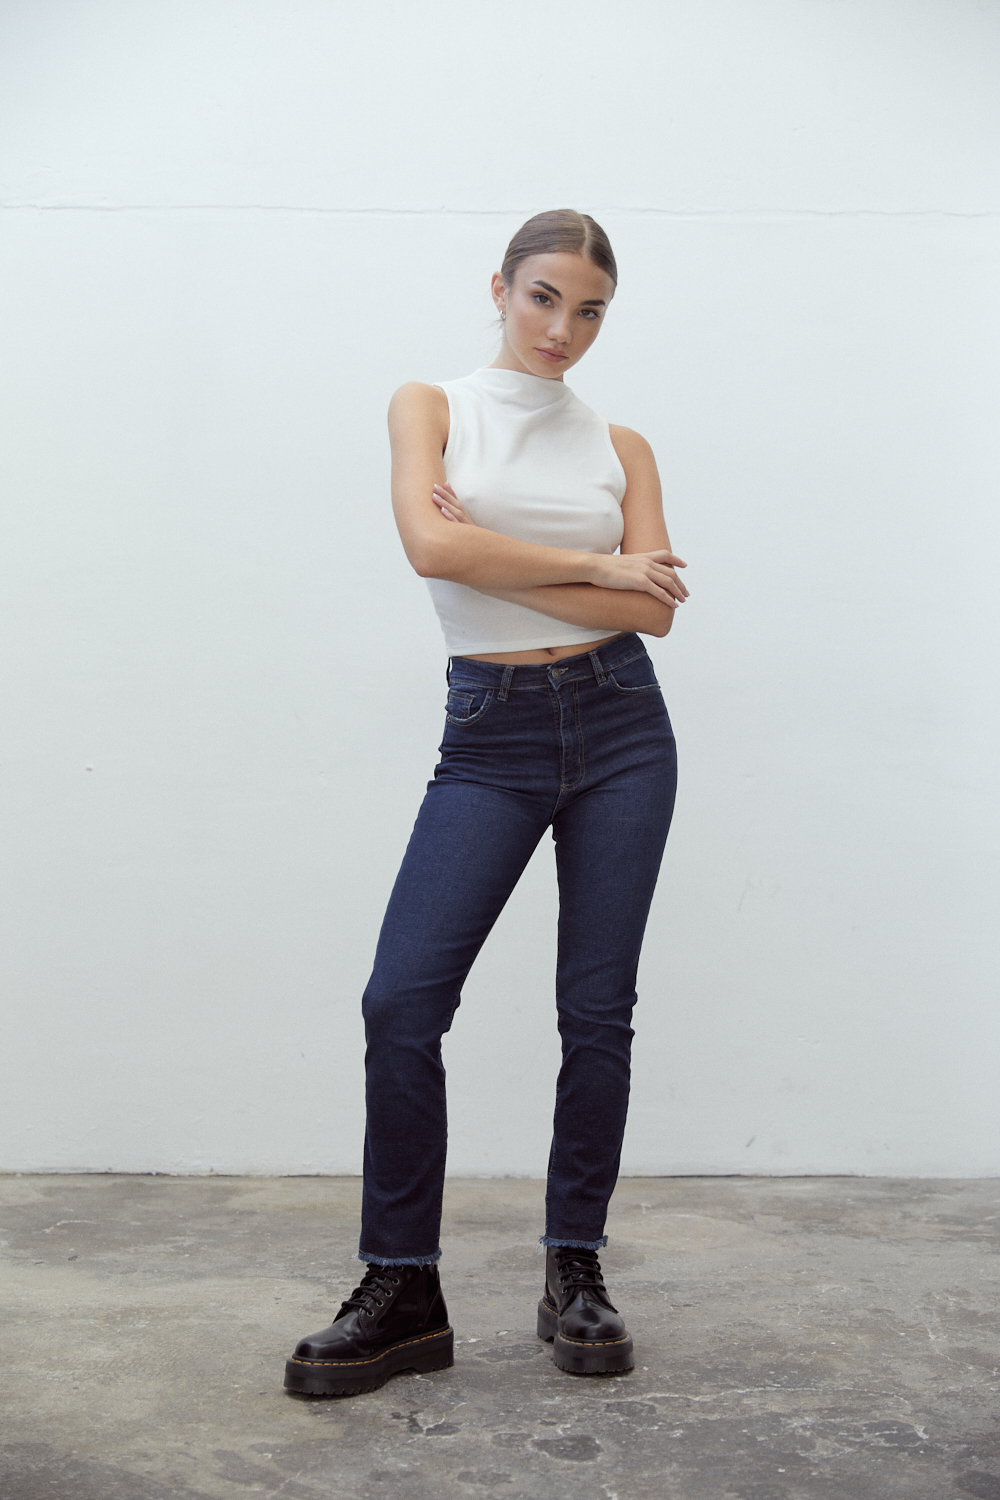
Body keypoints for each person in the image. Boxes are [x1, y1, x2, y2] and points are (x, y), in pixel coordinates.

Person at [284, 210, 687, 1397]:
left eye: (590, 310)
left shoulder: (622, 445)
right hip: (489, 736)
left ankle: (575, 1270)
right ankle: (402, 1286)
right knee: (401, 1000)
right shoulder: (431, 407)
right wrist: (600, 564)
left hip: (623, 727)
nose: (563, 328)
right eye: (543, 297)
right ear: (500, 288)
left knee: (596, 1013)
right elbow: (430, 548)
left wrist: (508, 552)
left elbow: (654, 613)